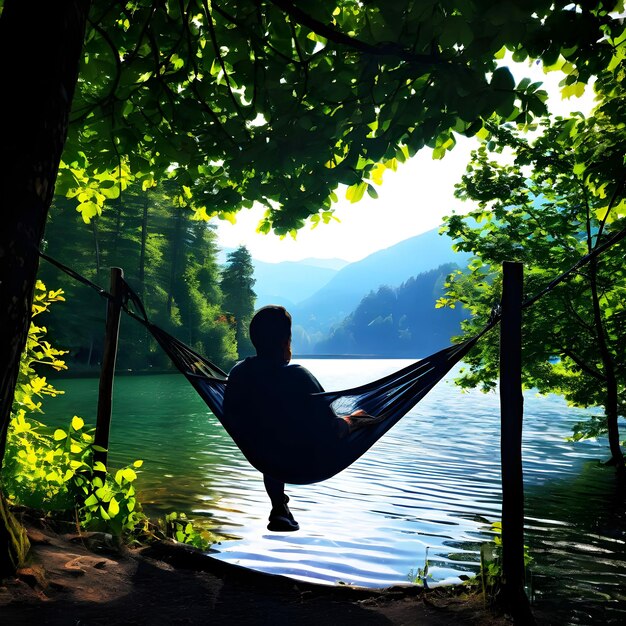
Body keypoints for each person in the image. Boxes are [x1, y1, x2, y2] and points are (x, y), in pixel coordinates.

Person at [223, 305, 370, 532]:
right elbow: (329, 424)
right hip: (305, 456)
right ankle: (364, 417)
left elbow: (231, 414)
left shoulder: (238, 373)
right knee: (359, 418)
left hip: (263, 452)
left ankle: (278, 506)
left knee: (270, 439)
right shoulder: (299, 376)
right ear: (285, 342)